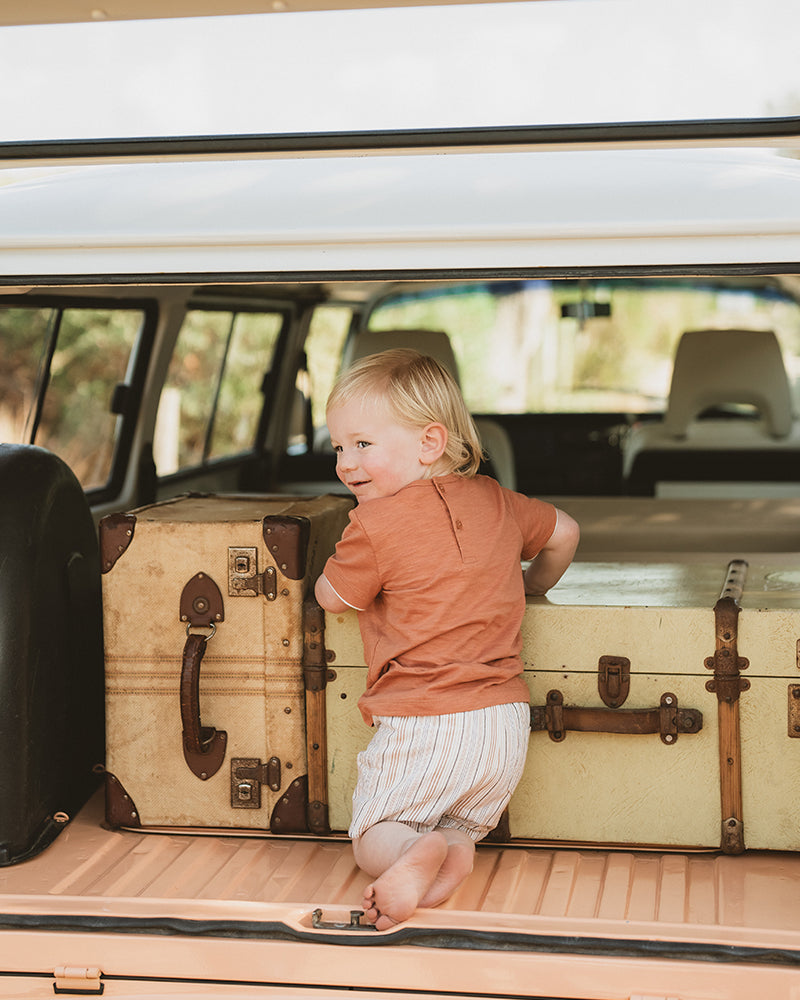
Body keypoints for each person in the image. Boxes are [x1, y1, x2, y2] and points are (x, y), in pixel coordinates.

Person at [314, 348, 579, 930]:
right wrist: (533, 584)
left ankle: (411, 852)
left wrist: (321, 578)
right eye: (337, 448)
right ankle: (450, 851)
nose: (346, 464)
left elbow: (333, 598)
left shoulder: (373, 524)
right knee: (455, 824)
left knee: (375, 833)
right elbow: (566, 532)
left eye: (362, 444)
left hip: (425, 722)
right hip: (504, 723)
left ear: (429, 442)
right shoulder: (497, 500)